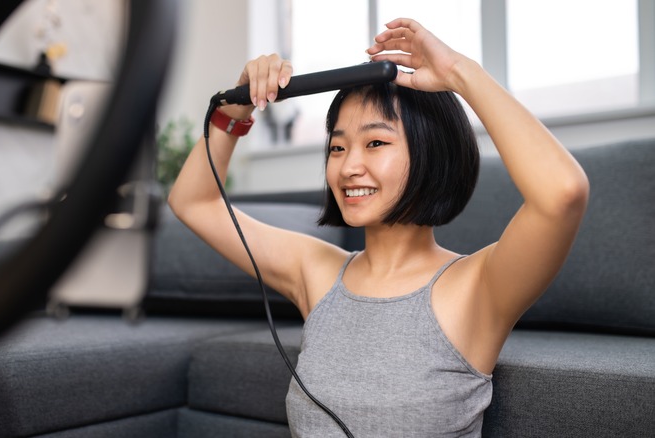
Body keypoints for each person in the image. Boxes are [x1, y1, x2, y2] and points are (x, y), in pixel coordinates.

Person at [168, 17, 589, 437]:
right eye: (337, 146)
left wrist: (460, 73)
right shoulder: (316, 272)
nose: (349, 166)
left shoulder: (478, 288)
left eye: (375, 143)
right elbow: (194, 202)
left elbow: (562, 193)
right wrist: (232, 111)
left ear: (430, 150)